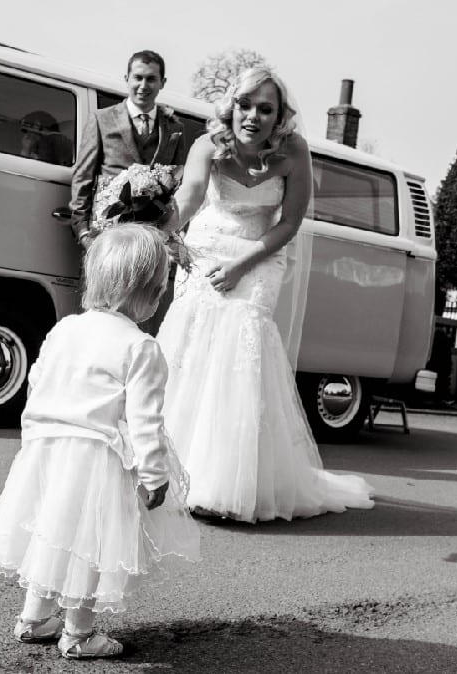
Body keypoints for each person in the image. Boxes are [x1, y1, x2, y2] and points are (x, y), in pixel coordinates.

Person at [156, 67, 375, 523]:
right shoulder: (207, 146)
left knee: (242, 343)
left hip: (261, 254)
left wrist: (241, 265)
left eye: (265, 109)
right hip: (208, 248)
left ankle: (227, 481)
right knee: (192, 349)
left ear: (279, 117)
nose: (253, 116)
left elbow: (289, 223)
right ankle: (170, 469)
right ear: (231, 105)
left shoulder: (294, 152)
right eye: (245, 104)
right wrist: (146, 228)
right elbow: (190, 199)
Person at [0, 223, 200, 659]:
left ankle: (34, 618)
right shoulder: (140, 346)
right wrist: (155, 475)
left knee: (53, 535)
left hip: (47, 447)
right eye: (159, 292)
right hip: (96, 458)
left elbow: (37, 385)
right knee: (88, 547)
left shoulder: (64, 330)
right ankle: (78, 635)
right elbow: (145, 422)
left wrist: (32, 441)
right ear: (149, 292)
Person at [67, 50, 189, 334]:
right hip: (106, 236)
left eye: (151, 79)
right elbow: (83, 178)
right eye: (138, 77)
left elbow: (177, 185)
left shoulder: (174, 128)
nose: (143, 85)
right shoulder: (102, 119)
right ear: (127, 78)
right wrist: (84, 234)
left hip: (150, 241)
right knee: (99, 310)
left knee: (142, 312)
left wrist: (170, 237)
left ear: (162, 82)